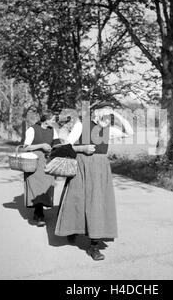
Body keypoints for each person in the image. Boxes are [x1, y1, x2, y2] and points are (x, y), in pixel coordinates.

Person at [55, 103, 134, 261]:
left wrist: (117, 115)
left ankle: (94, 246)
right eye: (105, 115)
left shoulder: (108, 130)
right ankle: (72, 229)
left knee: (97, 204)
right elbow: (64, 147)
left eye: (109, 116)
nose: (107, 119)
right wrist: (82, 149)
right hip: (81, 167)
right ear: (96, 114)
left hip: (100, 170)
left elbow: (129, 132)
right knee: (76, 200)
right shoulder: (81, 126)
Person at [23, 110, 61, 226]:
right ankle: (40, 214)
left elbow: (56, 143)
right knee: (36, 187)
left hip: (47, 161)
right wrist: (41, 146)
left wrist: (59, 147)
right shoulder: (32, 129)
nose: (54, 122)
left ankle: (38, 212)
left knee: (46, 186)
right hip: (34, 161)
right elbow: (25, 147)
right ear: (46, 119)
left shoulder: (52, 130)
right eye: (53, 119)